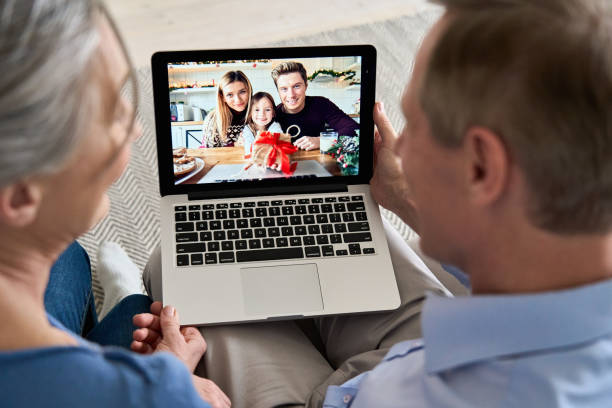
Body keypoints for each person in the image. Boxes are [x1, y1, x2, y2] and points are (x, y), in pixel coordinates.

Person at [139, 0, 612, 407]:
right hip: (429, 346)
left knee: (173, 274)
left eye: (415, 126)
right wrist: (402, 197)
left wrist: (179, 387)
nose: (399, 149)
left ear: (481, 167)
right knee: (343, 233)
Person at [0, 1, 229, 407]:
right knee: (139, 311)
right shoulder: (155, 395)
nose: (136, 127)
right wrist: (170, 381)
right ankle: (122, 301)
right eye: (109, 111)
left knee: (69, 258)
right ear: (19, 196)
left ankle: (115, 304)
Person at [271, 61, 359, 151]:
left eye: (297, 86)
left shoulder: (321, 104)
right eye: (284, 89)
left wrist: (322, 140)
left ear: (306, 86)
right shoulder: (273, 114)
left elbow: (355, 129)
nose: (291, 95)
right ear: (278, 91)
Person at [200, 70, 252, 148]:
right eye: (230, 95)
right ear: (222, 97)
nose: (238, 100)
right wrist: (234, 145)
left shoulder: (258, 113)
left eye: (242, 92)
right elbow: (208, 152)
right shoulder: (213, 120)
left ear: (249, 91)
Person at [241, 92, 283, 157]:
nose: (262, 114)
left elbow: (275, 142)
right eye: (257, 110)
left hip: (271, 160)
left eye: (267, 110)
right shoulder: (248, 129)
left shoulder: (275, 126)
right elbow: (248, 145)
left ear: (273, 113)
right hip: (253, 161)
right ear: (250, 112)